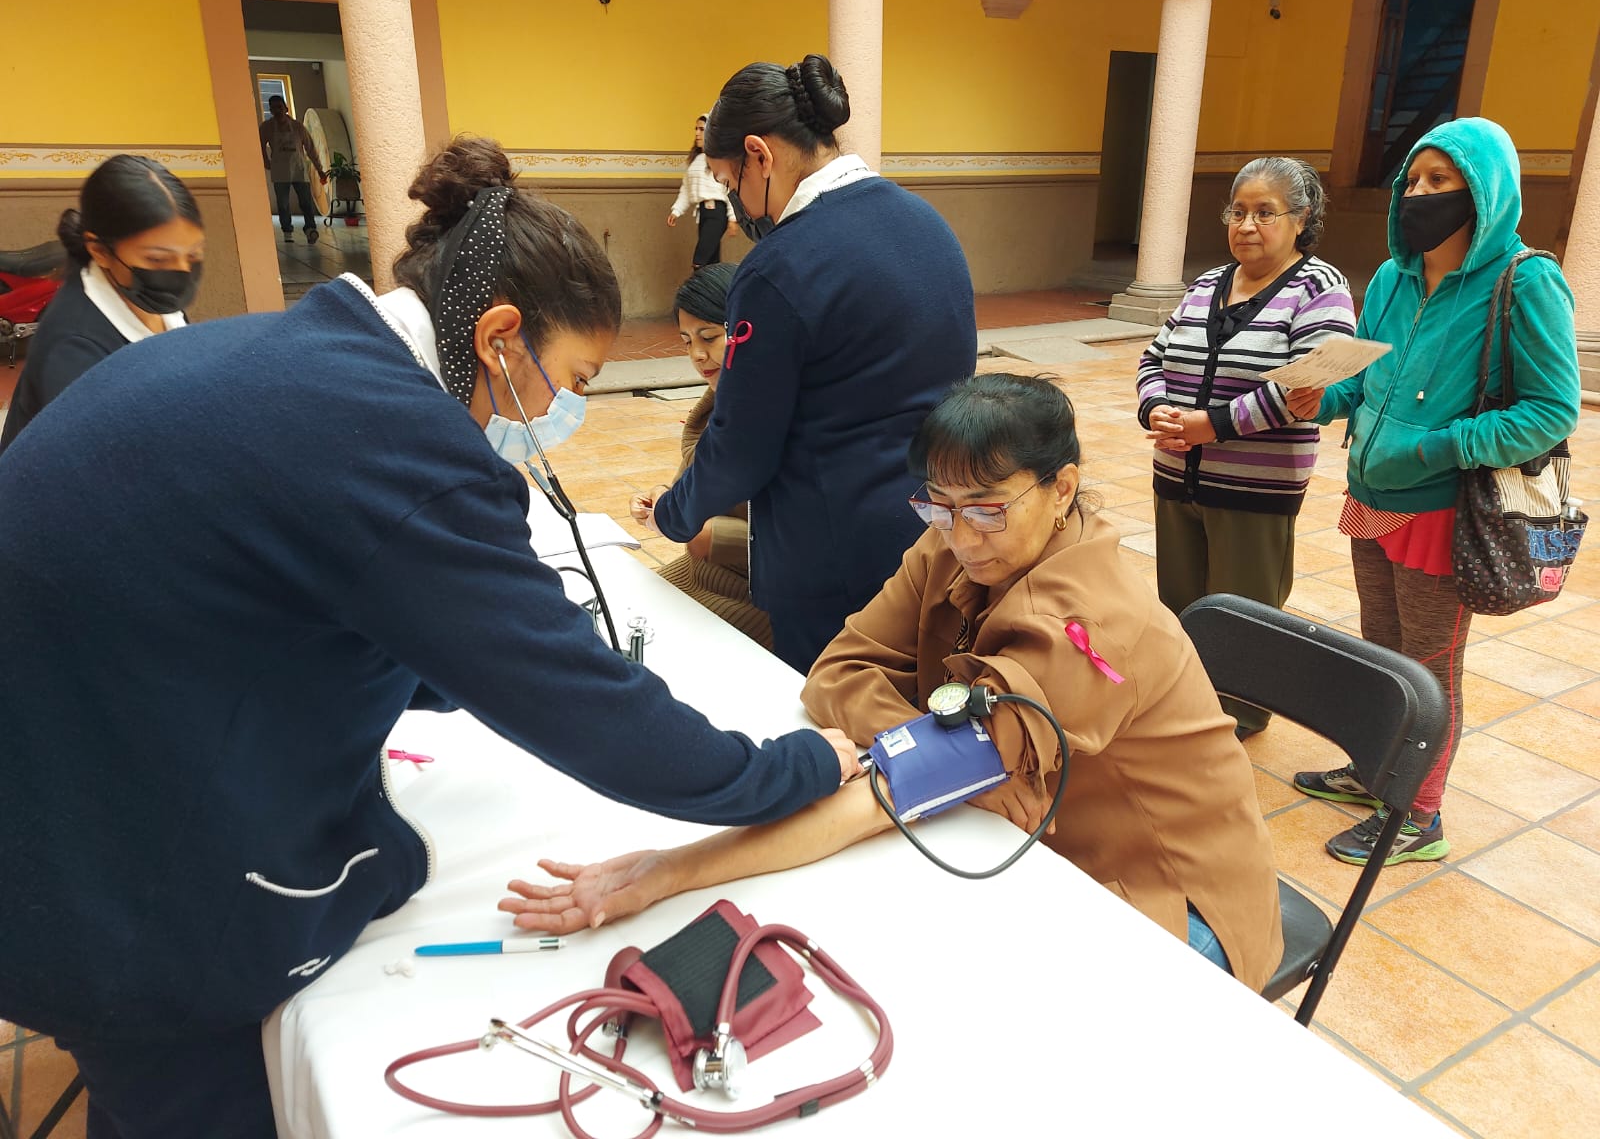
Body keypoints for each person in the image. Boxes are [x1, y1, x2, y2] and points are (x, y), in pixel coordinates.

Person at [0, 136, 861, 1138]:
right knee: (197, 1100)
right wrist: (796, 768)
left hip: (65, 793)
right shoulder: (389, 438)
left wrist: (468, 646)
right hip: (112, 885)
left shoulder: (306, 356)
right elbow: (592, 717)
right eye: (573, 380)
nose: (568, 411)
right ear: (499, 336)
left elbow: (304, 592)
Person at [505, 374, 1286, 992]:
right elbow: (836, 671)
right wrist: (942, 748)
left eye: (987, 508)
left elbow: (889, 789)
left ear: (1062, 488)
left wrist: (668, 871)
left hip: (1165, 899)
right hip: (1036, 845)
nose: (962, 535)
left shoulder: (1088, 626)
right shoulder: (952, 541)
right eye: (940, 506)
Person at [1287, 118, 1580, 866]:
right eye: (1412, 180)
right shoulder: (1393, 277)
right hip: (1371, 495)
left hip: (1445, 511)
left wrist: (1438, 446)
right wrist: (1320, 397)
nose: (1419, 193)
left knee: (1429, 665)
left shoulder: (1526, 281)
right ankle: (1374, 770)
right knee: (1381, 650)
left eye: (1440, 181)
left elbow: (1551, 411)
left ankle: (1418, 813)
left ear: (1483, 192)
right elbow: (1363, 377)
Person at [643, 55, 978, 672]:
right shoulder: (927, 223)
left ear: (759, 155)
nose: (738, 205)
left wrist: (673, 512)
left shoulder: (780, 266)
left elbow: (741, 446)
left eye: (729, 181)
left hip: (830, 557)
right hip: (935, 527)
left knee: (837, 709)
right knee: (911, 695)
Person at [1135, 157, 1356, 738]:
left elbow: (1305, 385)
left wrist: (1211, 426)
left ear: (1301, 219)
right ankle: (1186, 705)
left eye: (1265, 213)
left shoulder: (1319, 288)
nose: (1247, 225)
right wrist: (1155, 407)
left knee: (1245, 609)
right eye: (1237, 212)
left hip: (1255, 485)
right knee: (1182, 602)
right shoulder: (1207, 284)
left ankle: (1238, 716)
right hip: (1176, 474)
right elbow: (1154, 357)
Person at [0, 154, 205, 454]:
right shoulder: (74, 351)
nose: (182, 271)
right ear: (100, 251)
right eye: (158, 259)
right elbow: (101, 465)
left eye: (193, 254)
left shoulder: (150, 298)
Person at [630, 262, 772, 647]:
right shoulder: (714, 408)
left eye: (708, 337)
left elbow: (808, 538)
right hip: (699, 574)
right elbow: (693, 483)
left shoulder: (776, 415)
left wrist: (717, 538)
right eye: (686, 341)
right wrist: (664, 496)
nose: (696, 354)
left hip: (754, 598)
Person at [667, 112, 738, 270]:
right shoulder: (695, 160)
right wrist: (676, 211)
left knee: (699, 261)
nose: (697, 133)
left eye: (701, 129)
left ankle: (698, 286)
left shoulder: (719, 159)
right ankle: (715, 287)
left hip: (717, 214)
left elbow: (729, 189)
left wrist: (732, 218)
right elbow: (686, 189)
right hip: (703, 213)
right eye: (696, 129)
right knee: (711, 263)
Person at [259, 94, 327, 244]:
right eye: (273, 108)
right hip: (279, 170)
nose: (277, 111)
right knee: (283, 204)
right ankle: (287, 231)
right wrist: (265, 161)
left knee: (306, 202)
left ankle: (310, 229)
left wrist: (320, 169)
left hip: (298, 169)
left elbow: (310, 149)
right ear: (270, 110)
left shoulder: (298, 127)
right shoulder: (266, 127)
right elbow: (260, 145)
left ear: (286, 108)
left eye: (279, 107)